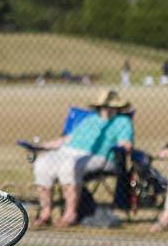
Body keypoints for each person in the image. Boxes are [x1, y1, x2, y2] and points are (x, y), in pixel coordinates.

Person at [32, 89, 134, 229]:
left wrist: (124, 146)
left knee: (69, 166)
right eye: (104, 106)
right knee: (42, 164)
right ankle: (45, 213)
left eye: (111, 106)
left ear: (118, 107)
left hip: (99, 156)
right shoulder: (90, 119)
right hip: (67, 151)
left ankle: (70, 214)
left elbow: (126, 143)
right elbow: (67, 139)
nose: (107, 109)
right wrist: (42, 146)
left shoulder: (122, 121)